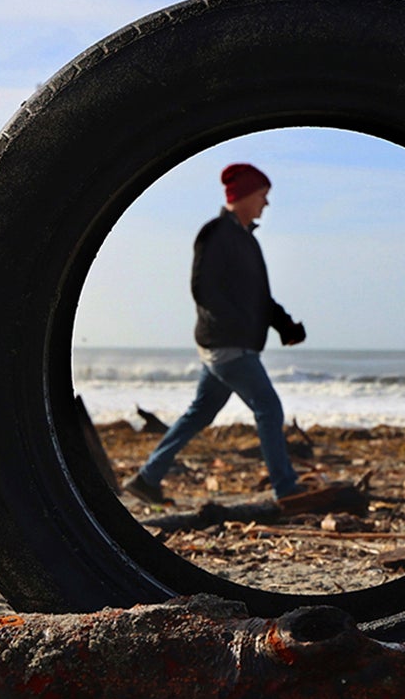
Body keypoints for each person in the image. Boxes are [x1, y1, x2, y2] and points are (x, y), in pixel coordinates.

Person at [125, 163, 307, 504]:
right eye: (262, 196)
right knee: (269, 408)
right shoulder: (216, 234)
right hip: (227, 344)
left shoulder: (246, 240)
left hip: (225, 345)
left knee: (200, 413)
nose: (265, 204)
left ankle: (147, 479)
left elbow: (260, 298)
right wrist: (235, 324)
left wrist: (285, 326)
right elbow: (203, 289)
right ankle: (286, 489)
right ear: (241, 197)